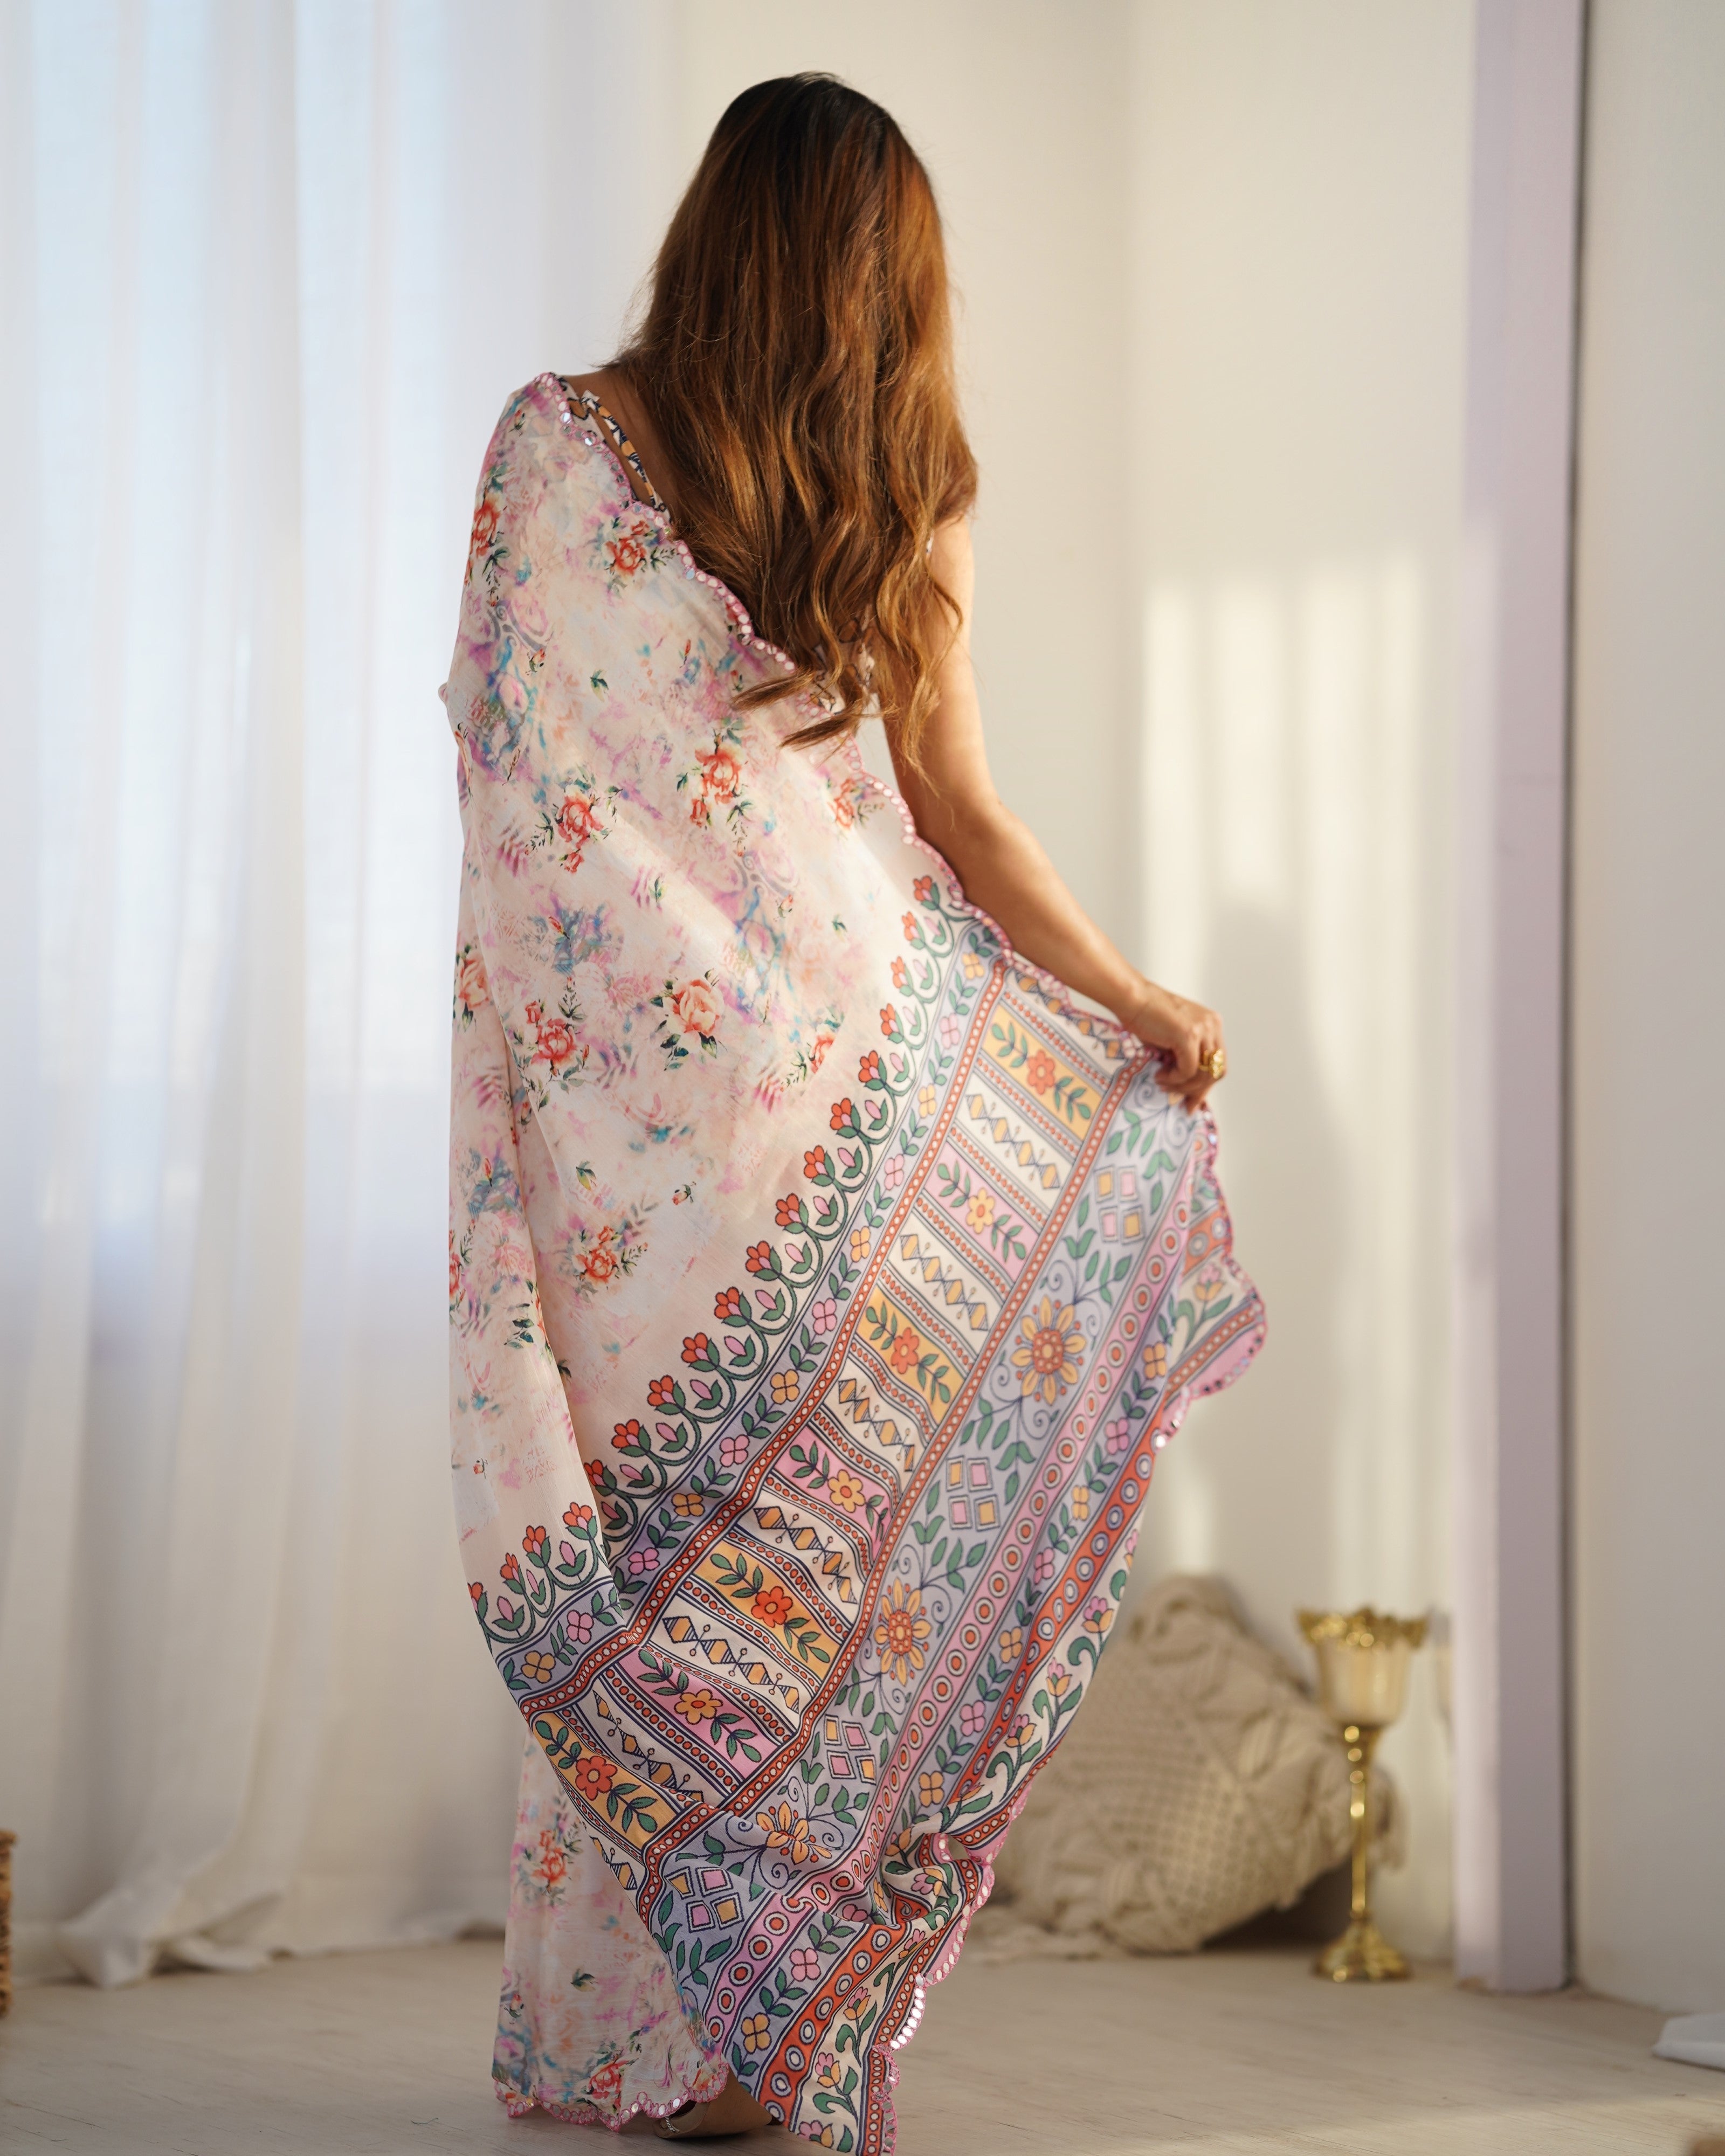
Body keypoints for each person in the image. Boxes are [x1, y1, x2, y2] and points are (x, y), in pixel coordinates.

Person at [445, 74, 1262, 2148]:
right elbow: (966, 826)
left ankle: (675, 2044)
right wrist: (1126, 997)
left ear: (714, 229)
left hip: (638, 1153)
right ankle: (761, 2043)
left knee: (659, 1595)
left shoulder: (554, 448)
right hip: (858, 1117)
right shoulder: (906, 491)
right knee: (812, 1588)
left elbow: (520, 785)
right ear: (888, 280)